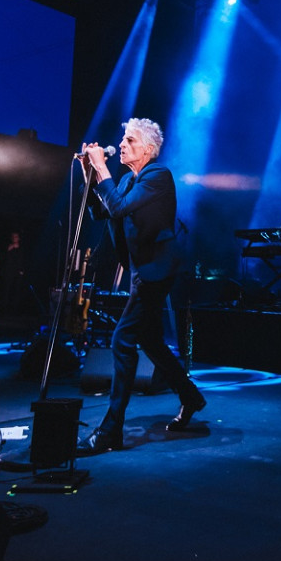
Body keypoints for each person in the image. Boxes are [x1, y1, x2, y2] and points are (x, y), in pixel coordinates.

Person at [76, 118, 204, 455]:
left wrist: (101, 170)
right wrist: (91, 176)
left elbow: (117, 206)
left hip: (156, 271)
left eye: (129, 140)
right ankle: (191, 397)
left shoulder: (157, 176)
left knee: (122, 341)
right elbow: (101, 214)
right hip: (139, 271)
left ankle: (110, 431)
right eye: (122, 139)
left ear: (147, 149)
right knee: (150, 341)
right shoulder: (125, 179)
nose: (120, 145)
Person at [0, 231, 25, 312]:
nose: (14, 238)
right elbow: (2, 258)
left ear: (18, 238)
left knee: (16, 290)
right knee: (6, 290)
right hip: (8, 271)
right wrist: (9, 248)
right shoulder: (7, 247)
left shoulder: (21, 248)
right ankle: (4, 308)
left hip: (18, 272)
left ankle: (14, 308)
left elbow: (22, 260)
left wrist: (22, 270)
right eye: (13, 237)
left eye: (16, 237)